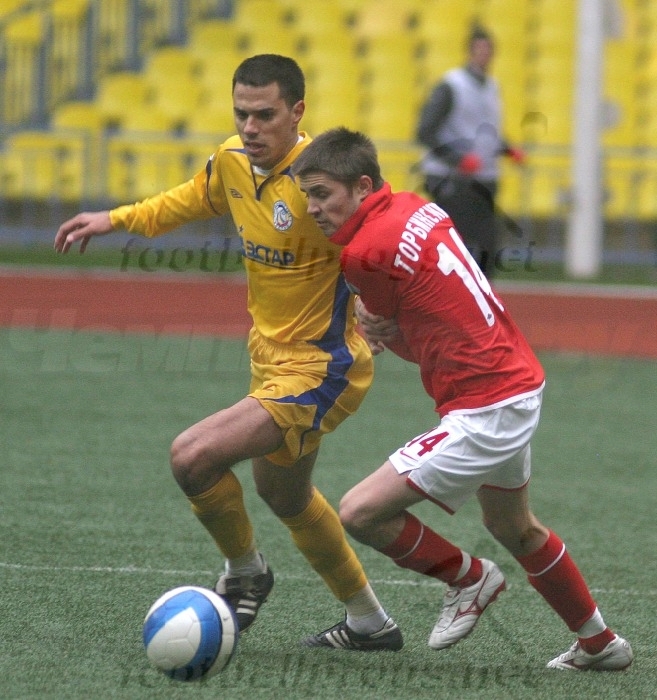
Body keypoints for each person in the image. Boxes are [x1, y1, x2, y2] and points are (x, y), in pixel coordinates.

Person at [53, 54, 402, 651]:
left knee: (192, 457)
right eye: (241, 113)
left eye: (265, 115)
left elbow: (383, 241)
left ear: (297, 112)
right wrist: (114, 218)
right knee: (285, 496)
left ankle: (245, 574)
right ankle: (371, 623)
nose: (250, 127)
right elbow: (189, 199)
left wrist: (383, 308)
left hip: (323, 369)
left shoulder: (322, 185)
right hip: (270, 362)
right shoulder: (232, 160)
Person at [291, 126, 633, 670]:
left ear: (361, 187)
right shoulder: (414, 205)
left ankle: (469, 579)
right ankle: (600, 643)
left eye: (321, 194)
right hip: (516, 380)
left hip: (486, 404)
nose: (312, 208)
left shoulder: (364, 253)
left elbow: (401, 343)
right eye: (307, 195)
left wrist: (374, 331)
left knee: (360, 512)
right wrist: (386, 325)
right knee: (515, 527)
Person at [416, 24, 525, 277]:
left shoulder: (492, 86)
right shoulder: (451, 86)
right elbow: (425, 131)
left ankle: (480, 290)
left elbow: (485, 131)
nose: (484, 55)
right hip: (451, 179)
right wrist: (457, 160)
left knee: (487, 242)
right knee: (456, 241)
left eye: (488, 50)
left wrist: (507, 150)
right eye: (479, 50)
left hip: (482, 177)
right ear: (469, 52)